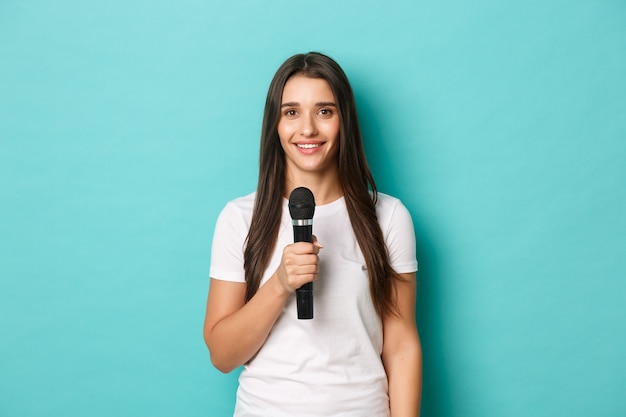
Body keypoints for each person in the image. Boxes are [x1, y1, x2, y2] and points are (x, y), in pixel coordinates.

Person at [203, 52, 422, 417]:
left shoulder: (388, 217)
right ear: (275, 124)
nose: (307, 129)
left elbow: (401, 346)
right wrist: (279, 284)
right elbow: (222, 355)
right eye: (291, 112)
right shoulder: (240, 218)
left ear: (344, 121)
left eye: (324, 111)